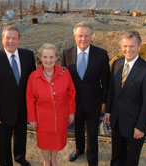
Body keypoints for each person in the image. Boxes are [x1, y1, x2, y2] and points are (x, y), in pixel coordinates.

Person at [0, 25, 36, 166]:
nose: (10, 42)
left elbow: (32, 83)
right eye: (7, 38)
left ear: (19, 40)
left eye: (14, 38)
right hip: (2, 111)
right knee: (3, 141)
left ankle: (20, 157)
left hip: (22, 109)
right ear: (2, 39)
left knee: (21, 136)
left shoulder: (28, 56)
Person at [104, 30, 146, 166]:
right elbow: (112, 90)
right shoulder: (117, 63)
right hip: (116, 121)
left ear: (139, 46)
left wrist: (141, 127)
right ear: (121, 47)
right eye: (125, 46)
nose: (128, 50)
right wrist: (109, 111)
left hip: (135, 125)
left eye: (132, 46)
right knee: (116, 156)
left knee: (131, 160)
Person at [61, 22, 110, 166]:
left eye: (86, 36)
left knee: (92, 132)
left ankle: (92, 159)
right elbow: (64, 79)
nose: (83, 39)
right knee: (78, 129)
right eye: (80, 36)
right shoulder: (66, 53)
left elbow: (105, 81)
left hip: (94, 101)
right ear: (75, 36)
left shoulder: (101, 54)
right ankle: (79, 149)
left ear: (91, 36)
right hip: (74, 101)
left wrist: (104, 102)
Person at [26, 43, 76, 166]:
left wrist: (71, 112)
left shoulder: (65, 73)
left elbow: (71, 94)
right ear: (40, 58)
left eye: (51, 57)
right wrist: (32, 119)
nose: (48, 60)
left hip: (61, 115)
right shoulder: (33, 77)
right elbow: (29, 100)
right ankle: (46, 161)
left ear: (56, 57)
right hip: (42, 118)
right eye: (45, 57)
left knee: (57, 141)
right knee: (45, 142)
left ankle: (53, 160)